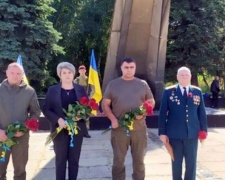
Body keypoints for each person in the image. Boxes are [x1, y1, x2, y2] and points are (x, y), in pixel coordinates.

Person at [102, 57, 155, 180]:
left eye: (132, 67)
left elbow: (151, 102)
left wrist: (142, 113)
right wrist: (113, 119)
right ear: (121, 68)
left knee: (139, 162)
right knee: (118, 162)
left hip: (139, 130)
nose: (129, 70)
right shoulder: (113, 84)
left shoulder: (143, 84)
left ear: (135, 68)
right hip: (119, 129)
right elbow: (105, 104)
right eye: (126, 67)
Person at [158, 66, 208, 180]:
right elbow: (162, 113)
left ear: (190, 76)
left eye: (187, 75)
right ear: (177, 77)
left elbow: (202, 113)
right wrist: (162, 132)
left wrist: (203, 130)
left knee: (191, 164)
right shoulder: (168, 92)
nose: (184, 77)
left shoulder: (197, 91)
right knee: (176, 163)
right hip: (175, 134)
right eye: (182, 75)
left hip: (192, 134)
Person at [42, 62, 88, 180]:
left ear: (73, 74)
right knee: (60, 160)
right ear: (60, 75)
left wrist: (81, 115)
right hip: (59, 130)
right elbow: (46, 109)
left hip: (76, 130)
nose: (67, 75)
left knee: (74, 160)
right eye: (64, 73)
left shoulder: (80, 89)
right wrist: (58, 119)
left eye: (69, 72)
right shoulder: (53, 90)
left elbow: (87, 108)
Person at [0, 62, 41, 180]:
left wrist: (25, 128)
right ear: (6, 73)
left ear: (22, 74)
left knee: (20, 171)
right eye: (12, 72)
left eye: (18, 73)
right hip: (1, 137)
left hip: (21, 138)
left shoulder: (29, 91)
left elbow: (35, 112)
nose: (15, 76)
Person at [74, 65, 94, 138]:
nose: (82, 71)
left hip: (86, 100)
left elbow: (93, 90)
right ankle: (77, 131)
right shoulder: (76, 80)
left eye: (83, 70)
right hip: (78, 101)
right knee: (77, 116)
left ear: (85, 71)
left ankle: (86, 132)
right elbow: (73, 88)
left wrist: (89, 97)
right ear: (79, 71)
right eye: (81, 70)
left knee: (86, 116)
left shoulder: (89, 80)